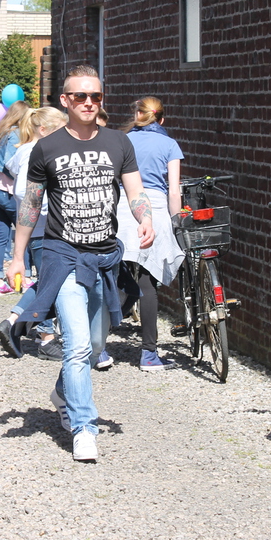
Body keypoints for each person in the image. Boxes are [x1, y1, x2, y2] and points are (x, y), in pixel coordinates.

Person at [6, 65, 154, 463]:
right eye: (81, 96)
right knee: (77, 345)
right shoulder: (47, 148)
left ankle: (61, 394)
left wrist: (146, 217)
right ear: (65, 100)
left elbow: (135, 190)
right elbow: (31, 205)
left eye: (96, 96)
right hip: (64, 256)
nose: (89, 102)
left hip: (104, 258)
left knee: (95, 346)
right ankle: (84, 428)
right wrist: (17, 257)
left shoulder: (119, 142)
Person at [112, 97, 186, 371]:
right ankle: (149, 354)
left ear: (138, 116)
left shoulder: (122, 141)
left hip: (123, 207)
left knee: (110, 276)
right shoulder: (169, 144)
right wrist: (176, 222)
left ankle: (98, 348)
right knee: (148, 282)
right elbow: (174, 191)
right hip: (152, 209)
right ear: (162, 119)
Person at [0, 106, 67, 359]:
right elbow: (25, 193)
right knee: (50, 283)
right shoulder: (35, 153)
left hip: (38, 229)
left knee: (47, 281)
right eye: (61, 131)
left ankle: (20, 324)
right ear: (44, 130)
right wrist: (49, 208)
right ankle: (40, 335)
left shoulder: (27, 151)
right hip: (43, 228)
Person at [0, 100, 29, 296]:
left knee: (0, 237)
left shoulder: (0, 131)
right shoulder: (14, 133)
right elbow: (10, 164)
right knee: (24, 233)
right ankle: (25, 279)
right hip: (5, 190)